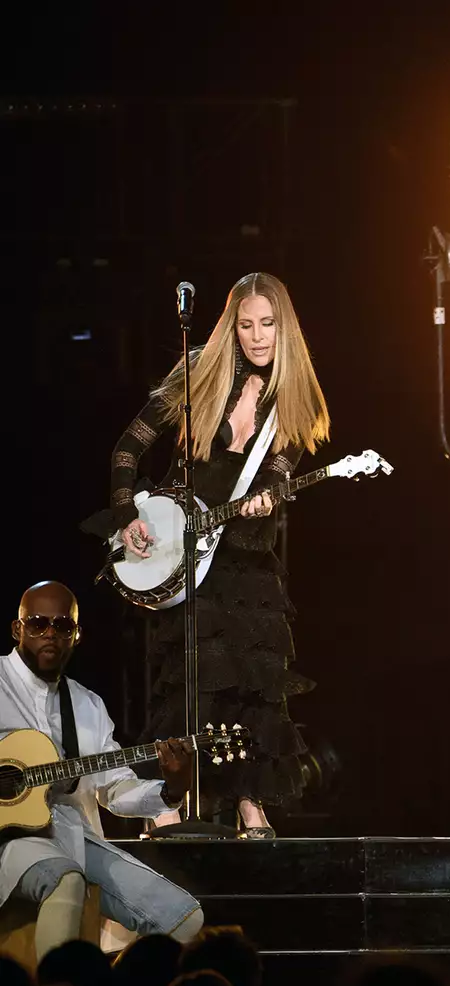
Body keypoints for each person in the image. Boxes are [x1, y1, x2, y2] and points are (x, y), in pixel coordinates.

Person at [101, 272, 331, 838]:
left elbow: (279, 473)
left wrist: (266, 500)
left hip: (246, 556)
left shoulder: (294, 395)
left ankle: (251, 803)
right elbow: (129, 446)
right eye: (246, 324)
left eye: (268, 325)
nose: (257, 337)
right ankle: (171, 801)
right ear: (232, 326)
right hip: (183, 548)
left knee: (254, 681)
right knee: (187, 680)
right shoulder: (200, 370)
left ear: (285, 328)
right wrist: (127, 513)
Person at [1, 582, 204, 962]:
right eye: (38, 623)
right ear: (17, 629)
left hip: (72, 835)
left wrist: (171, 790)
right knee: (66, 880)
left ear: (76, 636)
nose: (49, 634)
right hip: (7, 842)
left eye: (62, 626)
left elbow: (114, 789)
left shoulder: (87, 705)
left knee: (184, 919)